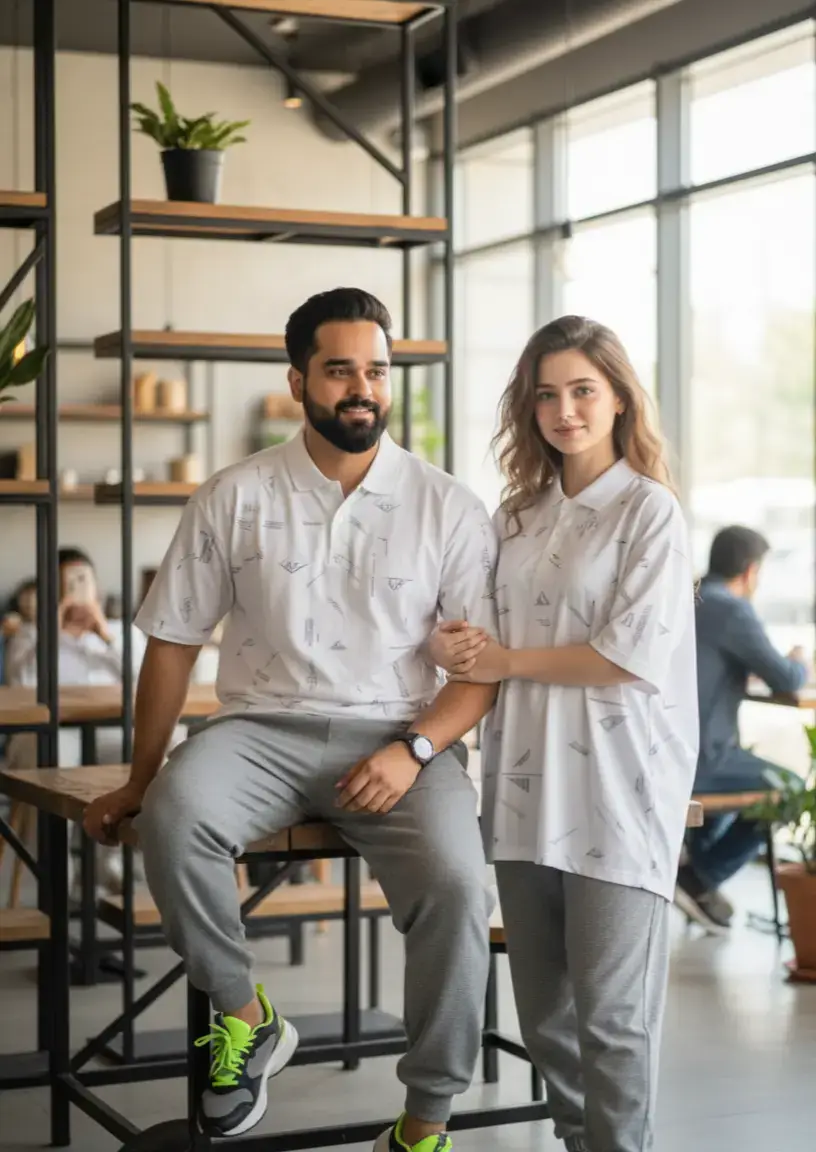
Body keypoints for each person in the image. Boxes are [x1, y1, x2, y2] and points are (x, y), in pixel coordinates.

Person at [83, 287, 499, 1144]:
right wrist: (139, 779)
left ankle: (425, 1121)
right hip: (259, 733)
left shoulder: (449, 506)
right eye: (340, 370)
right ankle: (248, 1015)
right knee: (174, 816)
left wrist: (416, 749)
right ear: (298, 381)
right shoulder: (234, 494)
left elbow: (480, 673)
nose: (362, 388)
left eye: (377, 370)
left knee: (459, 885)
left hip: (401, 737)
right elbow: (172, 643)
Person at [429, 315, 698, 1152]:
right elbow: (474, 636)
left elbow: (627, 654)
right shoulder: (515, 517)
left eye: (583, 390)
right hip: (520, 790)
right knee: (546, 1019)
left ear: (619, 399)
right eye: (546, 394)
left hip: (619, 792)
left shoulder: (649, 512)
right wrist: (452, 646)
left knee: (612, 1021)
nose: (565, 410)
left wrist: (506, 659)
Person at [675, 525, 809, 931]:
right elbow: (785, 677)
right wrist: (800, 659)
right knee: (790, 789)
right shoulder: (731, 608)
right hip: (703, 759)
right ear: (751, 571)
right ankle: (699, 877)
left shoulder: (688, 596)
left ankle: (694, 874)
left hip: (670, 751)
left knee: (743, 761)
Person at [4, 548, 148, 894]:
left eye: (83, 581)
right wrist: (53, 630)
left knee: (145, 754)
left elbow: (148, 684)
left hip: (111, 731)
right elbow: (20, 685)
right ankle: (58, 872)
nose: (76, 590)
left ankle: (109, 863)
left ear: (97, 586)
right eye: (66, 583)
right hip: (51, 733)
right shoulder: (32, 634)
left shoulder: (123, 633)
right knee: (52, 761)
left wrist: (105, 635)